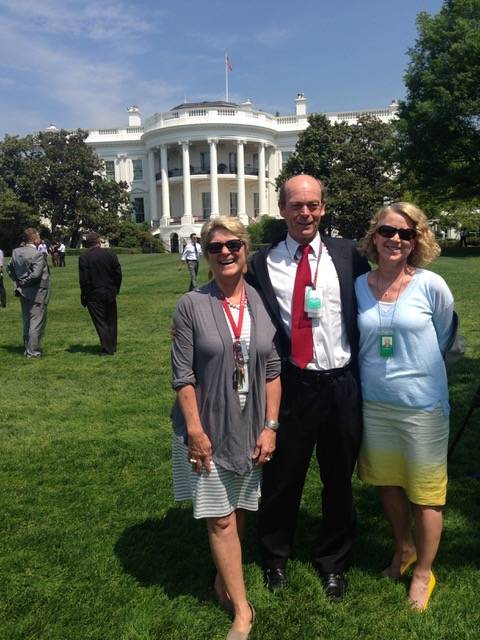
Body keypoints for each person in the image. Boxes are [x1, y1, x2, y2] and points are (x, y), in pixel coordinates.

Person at [247, 174, 370, 601]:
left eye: (313, 205)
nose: (306, 213)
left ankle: (333, 562)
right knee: (282, 479)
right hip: (293, 384)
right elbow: (230, 296)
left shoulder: (349, 254)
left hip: (341, 384)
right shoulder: (262, 263)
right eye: (297, 205)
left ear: (323, 208)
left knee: (339, 479)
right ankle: (275, 557)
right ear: (282, 209)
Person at [171, 217, 281, 640]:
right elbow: (182, 375)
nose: (225, 253)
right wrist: (196, 432)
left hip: (249, 425)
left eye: (233, 244)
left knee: (236, 510)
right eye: (215, 247)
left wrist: (270, 426)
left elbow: (272, 369)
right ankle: (242, 610)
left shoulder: (257, 301)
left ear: (245, 249)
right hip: (208, 426)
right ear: (205, 253)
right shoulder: (191, 305)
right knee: (219, 520)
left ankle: (222, 579)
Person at [355, 202, 455, 610]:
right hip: (374, 403)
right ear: (374, 236)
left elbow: (446, 333)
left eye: (406, 233)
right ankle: (404, 548)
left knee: (427, 493)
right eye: (387, 231)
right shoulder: (359, 285)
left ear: (416, 241)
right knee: (388, 483)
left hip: (422, 406)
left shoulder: (431, 284)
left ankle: (423, 572)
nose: (395, 239)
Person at [7, 227, 51, 358]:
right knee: (36, 322)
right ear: (34, 238)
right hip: (37, 292)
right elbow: (36, 275)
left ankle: (28, 348)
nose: (40, 239)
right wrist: (23, 282)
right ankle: (33, 352)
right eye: (38, 236)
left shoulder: (16, 252)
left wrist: (18, 281)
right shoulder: (37, 254)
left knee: (27, 321)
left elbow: (9, 269)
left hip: (23, 292)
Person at [79, 232, 122, 356]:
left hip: (94, 293)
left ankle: (107, 348)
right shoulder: (110, 255)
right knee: (111, 320)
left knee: (100, 321)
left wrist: (84, 295)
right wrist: (116, 288)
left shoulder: (84, 258)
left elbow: (84, 279)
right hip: (109, 291)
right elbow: (118, 274)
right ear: (99, 242)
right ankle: (112, 345)